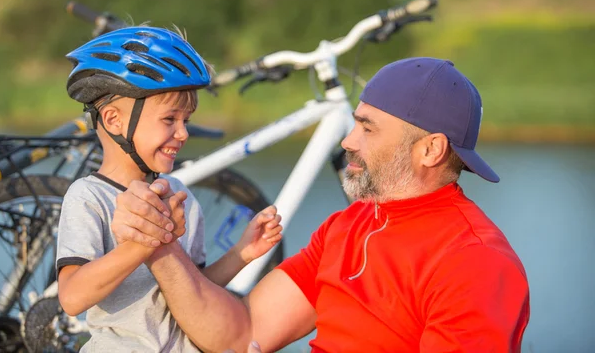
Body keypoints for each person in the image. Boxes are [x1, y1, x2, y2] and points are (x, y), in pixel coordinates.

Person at [111, 57, 530, 352]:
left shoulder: (474, 262)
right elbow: (244, 331)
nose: (348, 140)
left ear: (430, 149)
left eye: (368, 128)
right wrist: (160, 244)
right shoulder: (348, 225)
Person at [55, 26, 283, 353]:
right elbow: (73, 297)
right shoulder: (89, 198)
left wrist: (241, 254)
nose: (183, 133)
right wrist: (146, 242)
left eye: (186, 120)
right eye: (169, 119)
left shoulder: (180, 195)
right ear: (114, 119)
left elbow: (196, 290)